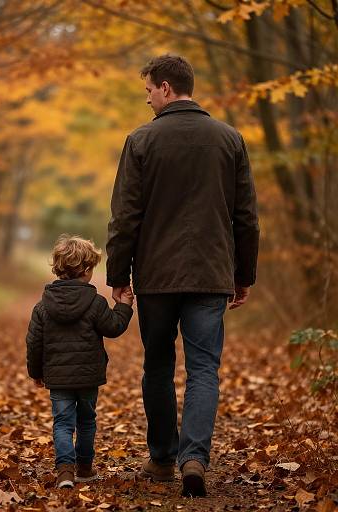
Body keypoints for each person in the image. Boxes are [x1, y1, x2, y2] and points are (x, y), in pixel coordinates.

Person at [106, 54, 259, 497]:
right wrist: (243, 273)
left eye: (150, 91)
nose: (148, 99)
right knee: (204, 370)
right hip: (212, 274)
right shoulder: (230, 139)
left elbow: (125, 217)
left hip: (156, 277)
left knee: (157, 365)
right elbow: (246, 217)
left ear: (167, 88)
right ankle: (194, 457)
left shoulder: (140, 140)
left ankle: (161, 458)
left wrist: (119, 275)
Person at [26, 235, 134, 489]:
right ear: (86, 270)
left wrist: (36, 372)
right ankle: (84, 468)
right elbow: (114, 327)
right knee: (86, 420)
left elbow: (34, 343)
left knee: (62, 423)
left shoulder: (42, 307)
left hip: (59, 379)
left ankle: (65, 471)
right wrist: (125, 306)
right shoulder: (95, 303)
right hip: (88, 376)